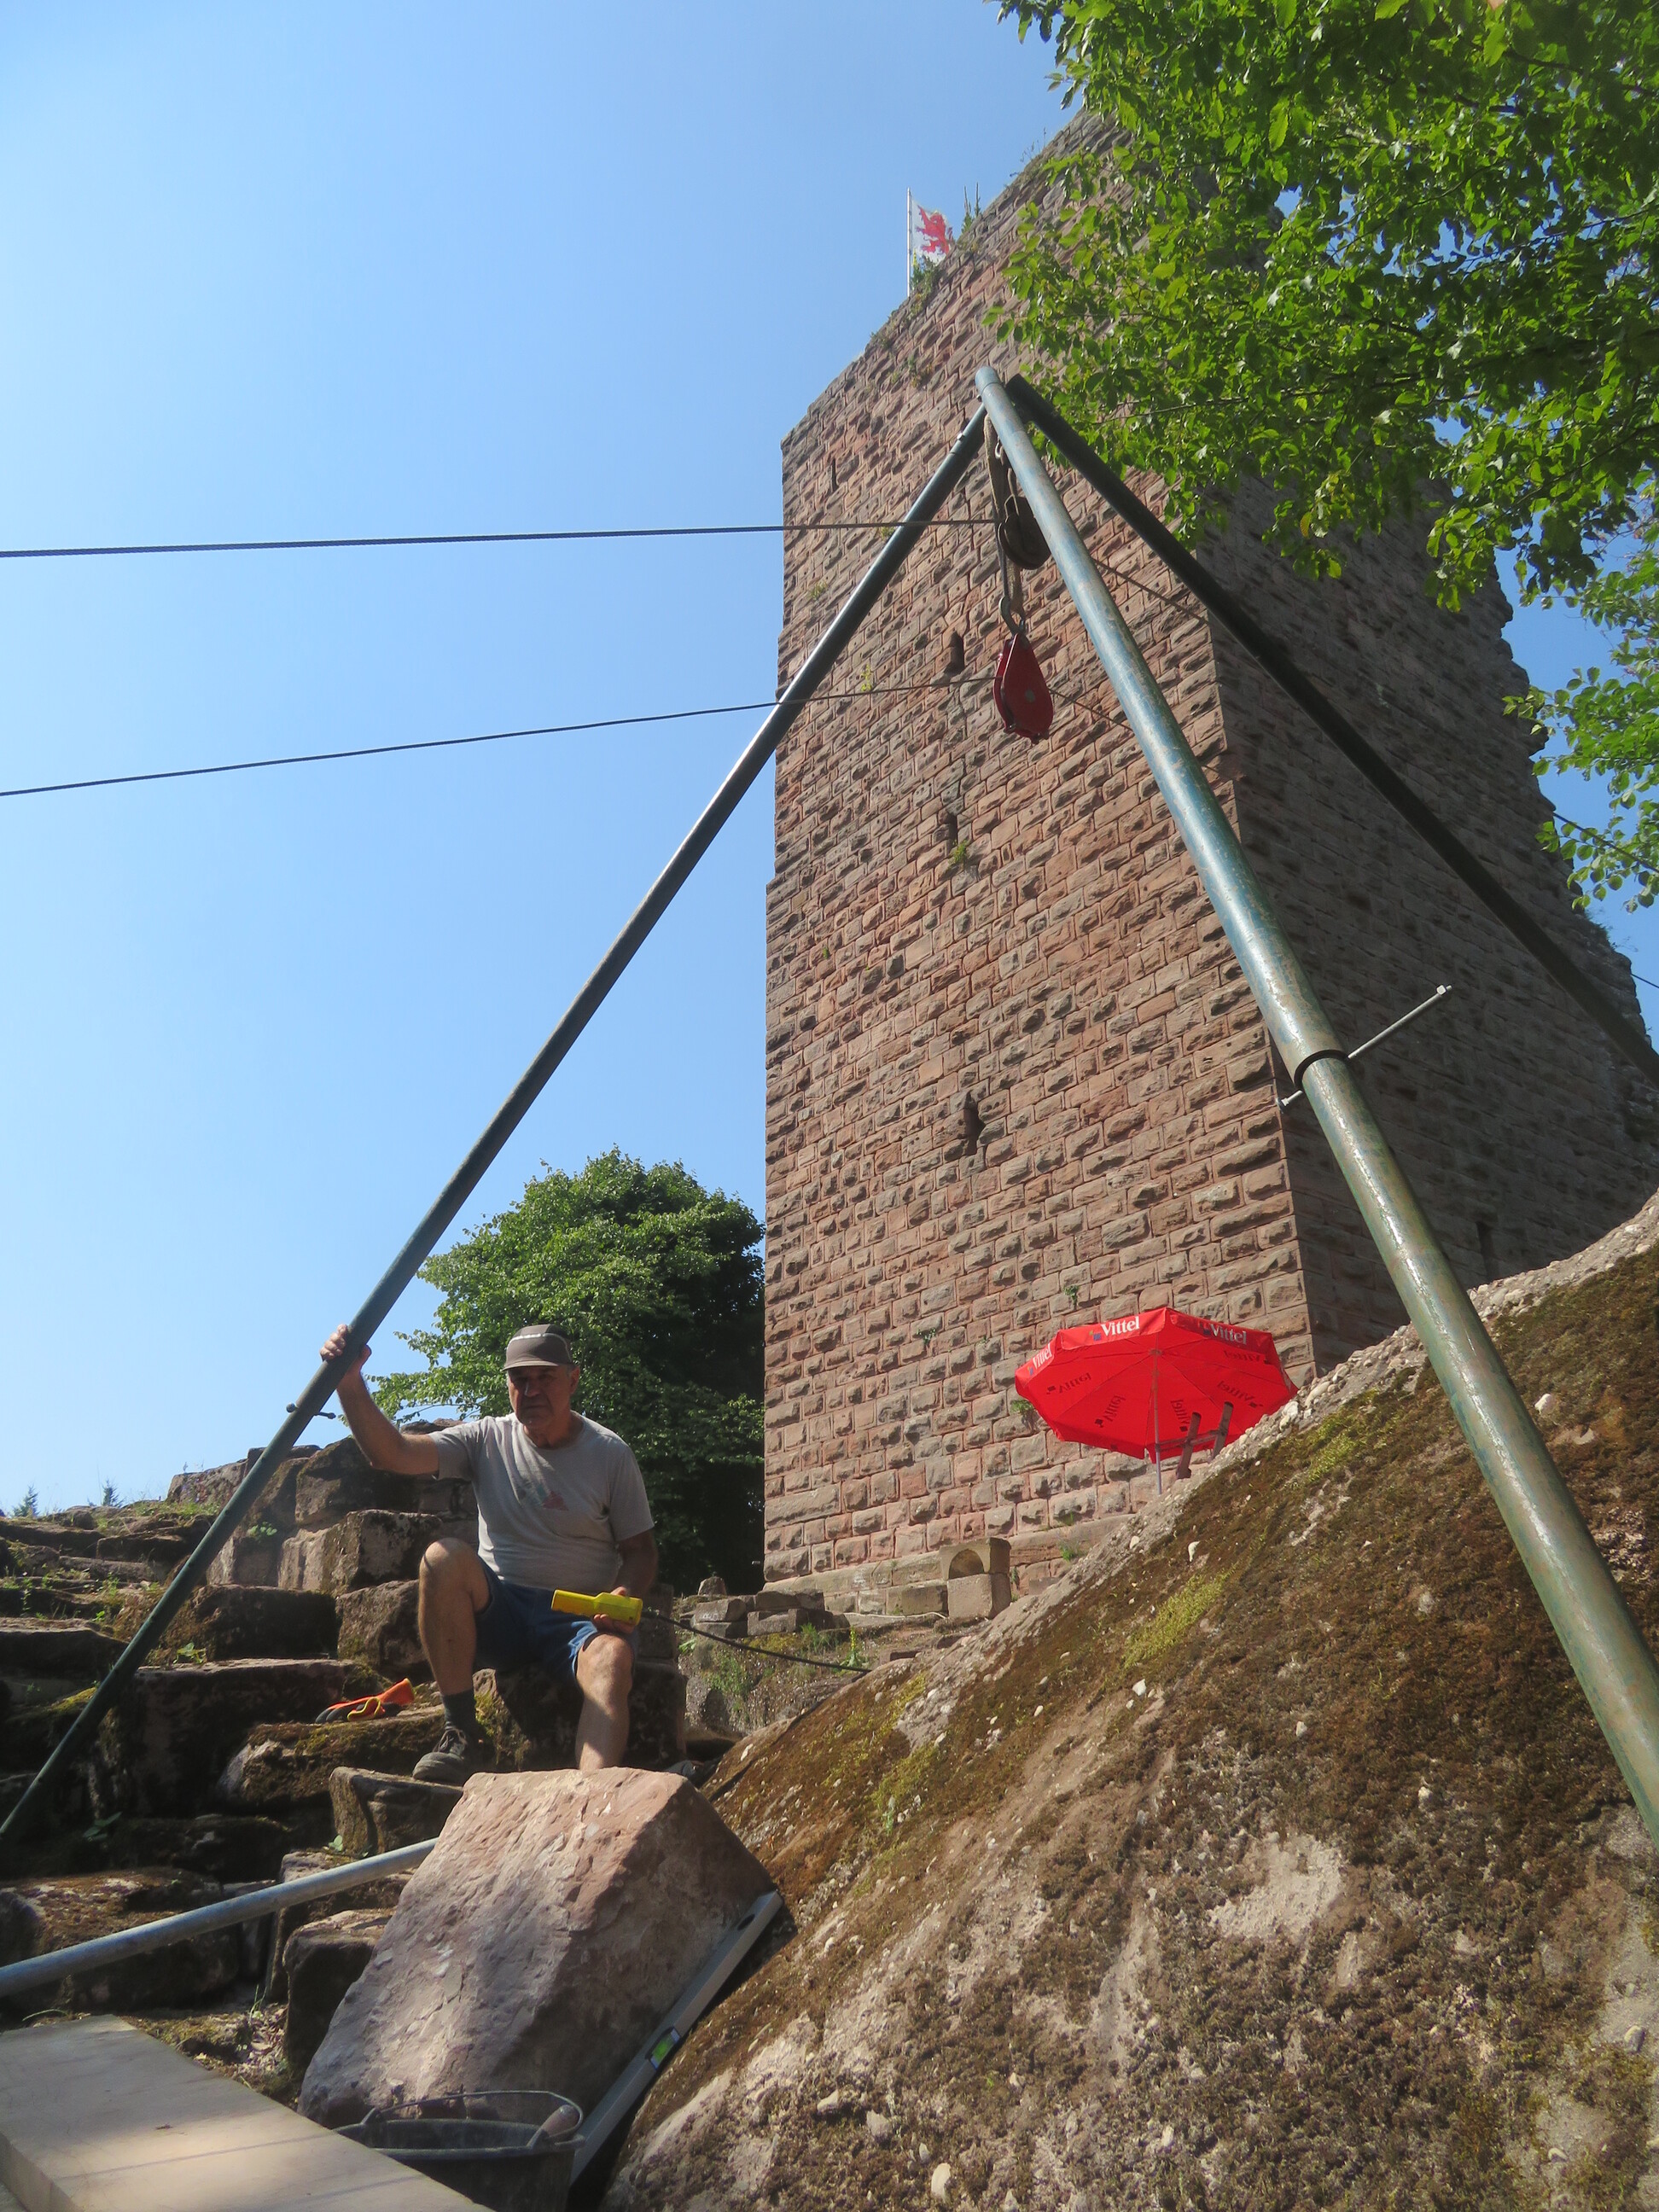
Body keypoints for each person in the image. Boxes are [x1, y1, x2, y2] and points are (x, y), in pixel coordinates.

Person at [317, 1320, 658, 1784]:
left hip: (578, 1619)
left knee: (613, 1660)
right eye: (520, 1379)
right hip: (502, 1611)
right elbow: (392, 1453)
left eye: (545, 1378)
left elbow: (640, 1550)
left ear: (573, 1379)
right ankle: (462, 1733)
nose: (531, 1391)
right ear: (507, 1384)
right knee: (441, 1560)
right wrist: (349, 1382)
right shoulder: (485, 1439)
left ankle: (588, 1798)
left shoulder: (609, 1453)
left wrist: (624, 1593)